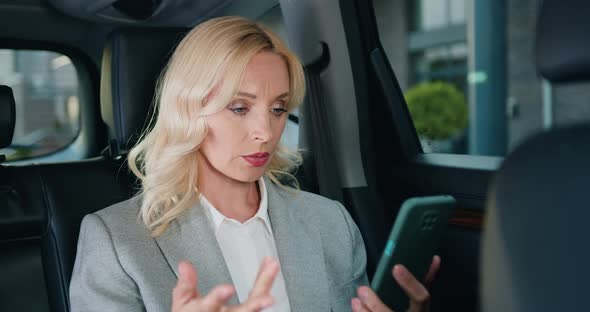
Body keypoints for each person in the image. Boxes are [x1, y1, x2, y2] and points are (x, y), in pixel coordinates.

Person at [69, 16, 439, 312]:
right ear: (189, 109)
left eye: (278, 109)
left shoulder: (331, 222)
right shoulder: (115, 241)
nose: (266, 131)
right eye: (240, 108)